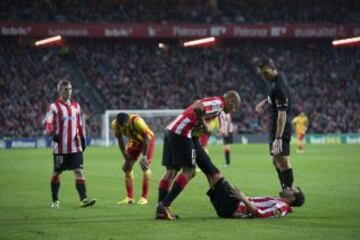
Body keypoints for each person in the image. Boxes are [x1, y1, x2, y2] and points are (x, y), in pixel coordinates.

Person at [156, 90, 241, 220]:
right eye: (234, 106)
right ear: (229, 101)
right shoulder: (218, 104)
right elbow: (197, 106)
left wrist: (202, 124)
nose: (234, 110)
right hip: (182, 132)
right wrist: (204, 123)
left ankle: (160, 211)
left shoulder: (218, 107)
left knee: (171, 172)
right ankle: (164, 204)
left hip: (172, 130)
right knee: (190, 171)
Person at [43, 79, 96, 208]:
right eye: (66, 89)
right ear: (59, 90)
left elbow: (80, 124)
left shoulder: (76, 106)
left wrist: (83, 139)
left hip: (75, 145)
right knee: (57, 172)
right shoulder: (54, 106)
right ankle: (55, 200)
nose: (69, 92)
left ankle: (83, 199)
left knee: (79, 171)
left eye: (70, 89)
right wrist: (52, 134)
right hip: (60, 148)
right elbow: (48, 122)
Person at [255, 56, 295, 190]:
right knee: (276, 160)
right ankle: (285, 188)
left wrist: (278, 137)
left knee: (282, 159)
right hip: (274, 125)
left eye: (265, 72)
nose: (263, 76)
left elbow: (282, 114)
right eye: (261, 73)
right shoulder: (274, 79)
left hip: (281, 126)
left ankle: (289, 191)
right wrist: (265, 102)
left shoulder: (280, 86)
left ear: (273, 68)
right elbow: (273, 95)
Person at [206, 173, 305, 219]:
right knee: (211, 175)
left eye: (291, 190)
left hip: (233, 205)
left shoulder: (282, 208)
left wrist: (242, 198)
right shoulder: (281, 204)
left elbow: (262, 214)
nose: (287, 188)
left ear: (292, 198)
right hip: (231, 208)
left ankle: (193, 142)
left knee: (215, 174)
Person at [112, 112, 155, 205]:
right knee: (126, 167)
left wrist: (144, 156)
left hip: (147, 141)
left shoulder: (137, 122)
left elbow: (146, 139)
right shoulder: (115, 124)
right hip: (134, 141)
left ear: (128, 122)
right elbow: (120, 139)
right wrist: (125, 156)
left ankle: (144, 197)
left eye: (124, 126)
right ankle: (129, 198)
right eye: (120, 126)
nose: (122, 128)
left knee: (144, 166)